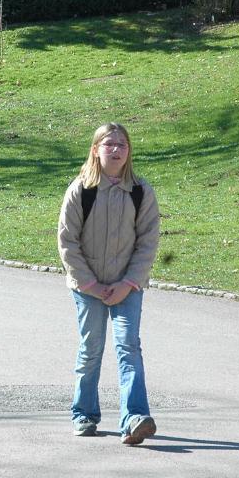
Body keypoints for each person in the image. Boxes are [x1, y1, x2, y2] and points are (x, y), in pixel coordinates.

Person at [57, 122, 161, 445]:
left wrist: (127, 283)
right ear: (96, 150)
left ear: (129, 152)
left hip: (127, 286)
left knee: (128, 345)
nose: (116, 150)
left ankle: (134, 420)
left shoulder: (140, 192)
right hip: (87, 288)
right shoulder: (81, 191)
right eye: (109, 144)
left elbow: (148, 243)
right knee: (91, 348)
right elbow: (67, 242)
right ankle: (84, 413)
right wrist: (91, 285)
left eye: (122, 145)